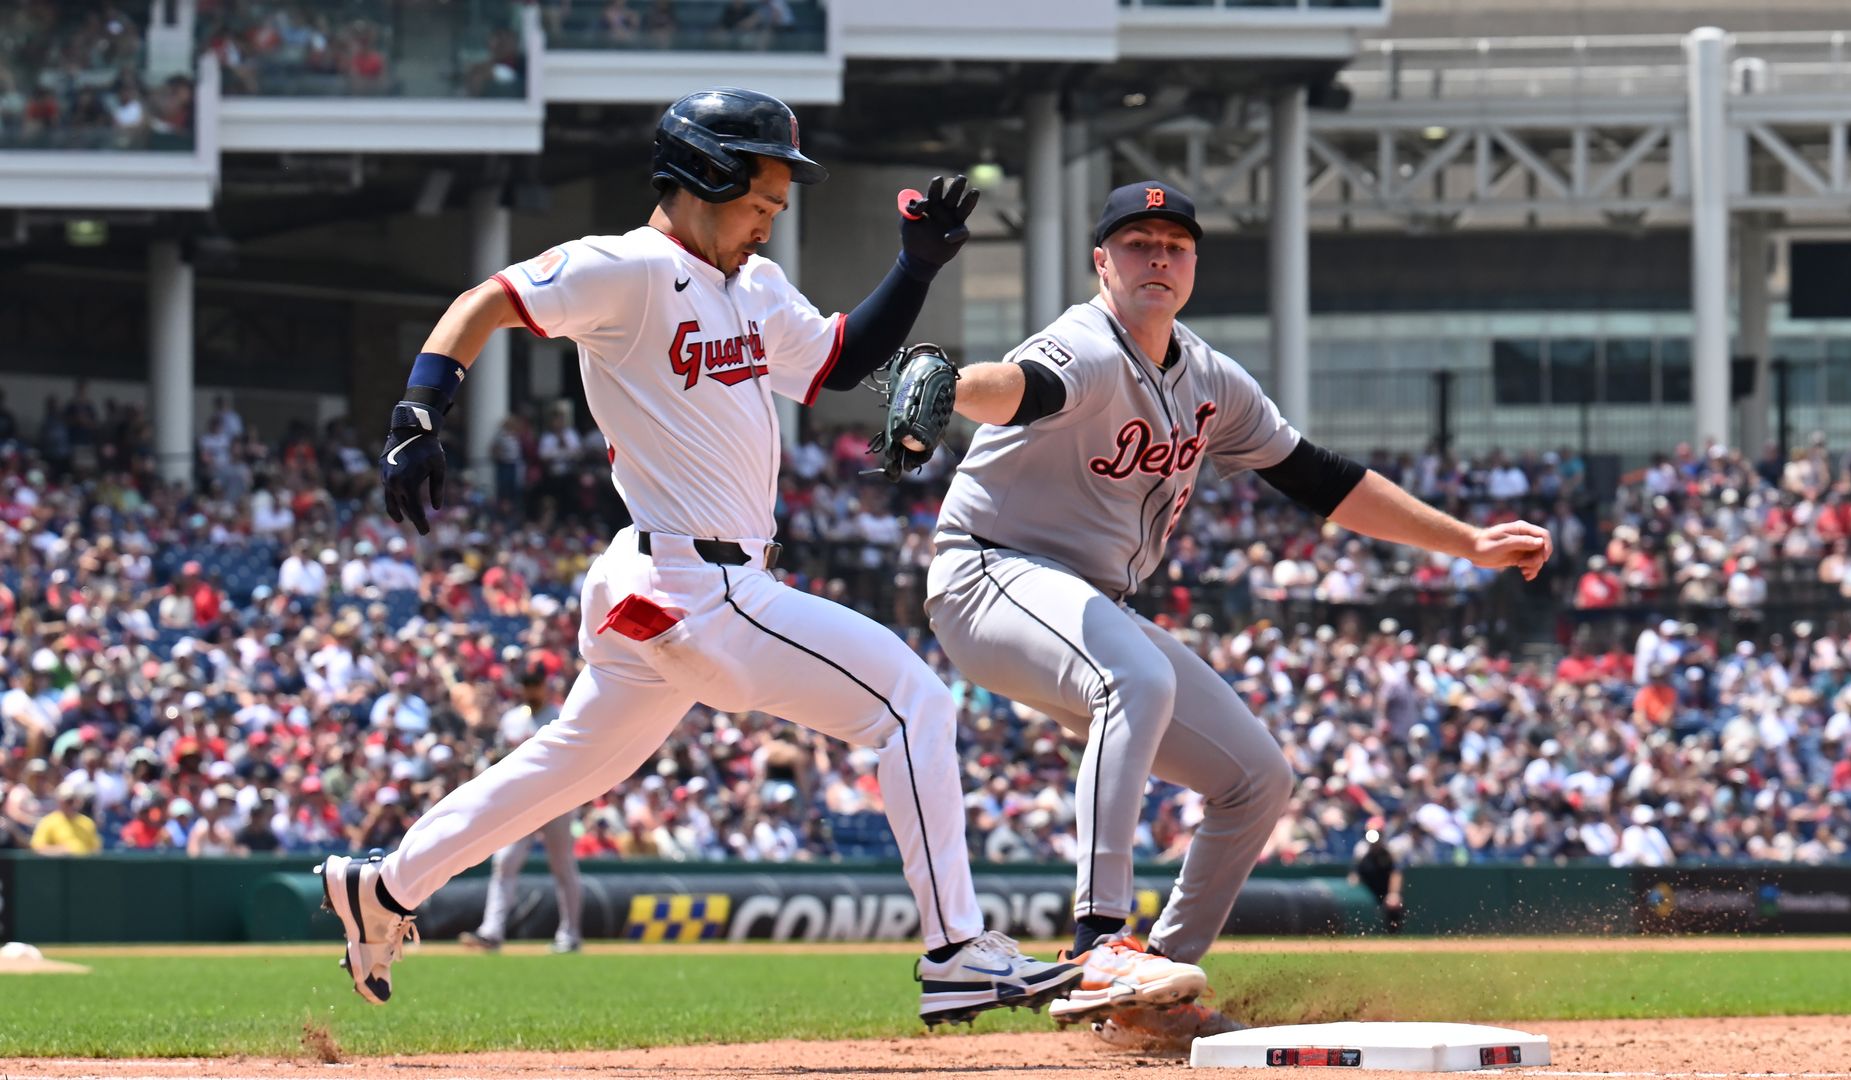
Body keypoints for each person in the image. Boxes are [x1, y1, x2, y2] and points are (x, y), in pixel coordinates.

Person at [318, 87, 1078, 1026]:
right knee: (911, 702)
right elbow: (490, 301)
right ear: (706, 176)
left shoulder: (751, 287)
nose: (769, 221)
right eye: (760, 200)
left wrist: (915, 268)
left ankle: (387, 888)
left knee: (570, 768)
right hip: (694, 581)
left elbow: (836, 362)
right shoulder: (627, 268)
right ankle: (959, 949)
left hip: (673, 583)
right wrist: (418, 413)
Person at [921, 180, 1551, 1042]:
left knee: (1258, 780)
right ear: (1101, 261)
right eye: (1138, 242)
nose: (1158, 258)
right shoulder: (1087, 345)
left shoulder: (1210, 376)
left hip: (1084, 603)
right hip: (987, 575)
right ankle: (1101, 941)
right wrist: (953, 385)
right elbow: (1022, 389)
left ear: (1193, 268)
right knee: (1133, 672)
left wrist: (1468, 544)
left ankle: (1144, 1004)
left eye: (1175, 245)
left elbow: (1322, 480)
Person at [458, 671, 586, 954]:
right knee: (504, 862)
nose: (531, 691)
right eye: (526, 686)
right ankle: (491, 932)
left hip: (556, 798)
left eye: (535, 686)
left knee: (562, 865)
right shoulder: (513, 718)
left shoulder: (562, 713)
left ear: (545, 686)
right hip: (522, 802)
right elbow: (501, 755)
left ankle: (571, 934)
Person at [1348, 817, 1406, 934]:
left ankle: (1392, 938)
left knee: (1394, 905)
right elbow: (1354, 875)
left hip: (1384, 890)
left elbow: (1396, 873)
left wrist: (1393, 893)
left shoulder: (1390, 850)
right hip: (1367, 891)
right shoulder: (1361, 850)